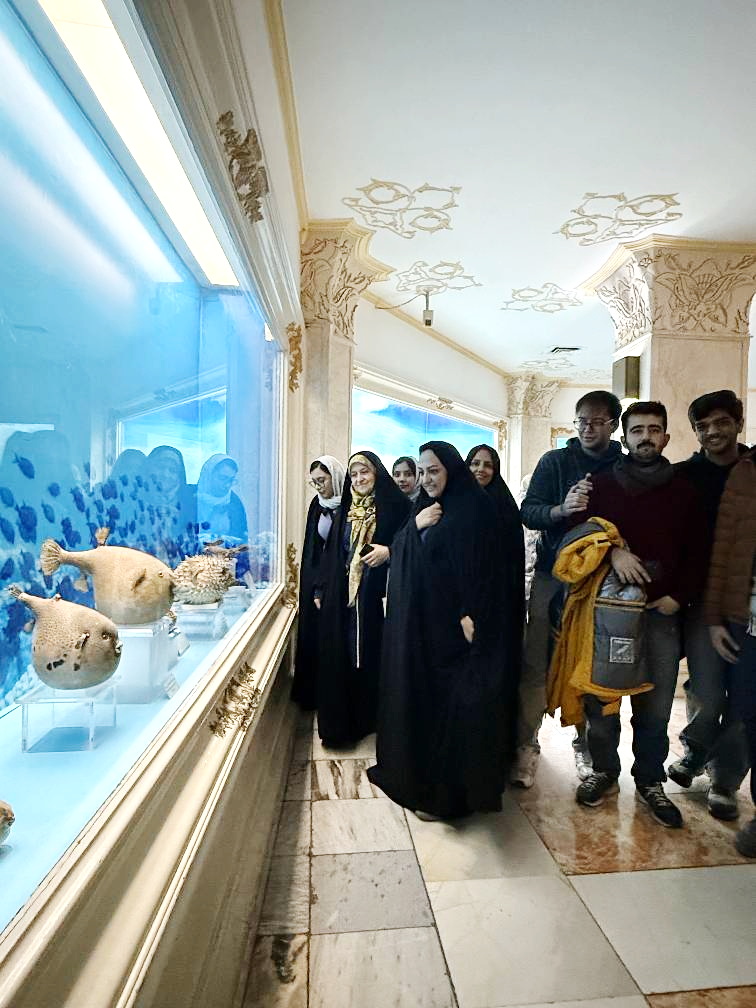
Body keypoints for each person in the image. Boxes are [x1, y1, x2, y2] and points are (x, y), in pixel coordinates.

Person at [571, 401, 707, 828]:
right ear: (624, 437)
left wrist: (678, 598)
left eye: (653, 429)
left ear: (665, 436)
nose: (645, 437)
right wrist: (612, 552)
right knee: (602, 701)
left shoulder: (684, 490)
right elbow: (580, 536)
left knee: (656, 707)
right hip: (608, 614)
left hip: (661, 614)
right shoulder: (602, 485)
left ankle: (650, 780)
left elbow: (698, 551)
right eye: (637, 430)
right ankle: (604, 771)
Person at [368, 441, 514, 820]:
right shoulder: (425, 507)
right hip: (424, 627)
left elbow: (486, 571)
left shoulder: (475, 509)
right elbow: (402, 548)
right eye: (422, 471)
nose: (426, 479)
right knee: (426, 706)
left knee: (453, 711)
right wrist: (416, 526)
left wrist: (469, 614)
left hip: (458, 631)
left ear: (451, 470)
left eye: (433, 470)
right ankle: (422, 781)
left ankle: (448, 799)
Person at [515, 390, 623, 787]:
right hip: (552, 576)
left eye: (597, 422)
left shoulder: (624, 467)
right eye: (581, 422)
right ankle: (526, 745)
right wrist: (562, 509)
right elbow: (529, 512)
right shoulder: (554, 461)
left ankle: (588, 747)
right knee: (535, 662)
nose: (587, 429)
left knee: (592, 667)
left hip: (602, 583)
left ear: (613, 424)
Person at [671, 390, 750, 820]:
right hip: (701, 598)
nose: (712, 432)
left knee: (744, 697)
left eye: (721, 422)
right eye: (702, 426)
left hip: (747, 602)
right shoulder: (684, 476)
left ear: (738, 423)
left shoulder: (752, 469)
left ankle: (725, 781)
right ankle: (697, 749)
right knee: (706, 687)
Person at [314, 450, 409, 746]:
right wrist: (321, 589)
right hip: (343, 597)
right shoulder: (346, 508)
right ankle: (344, 723)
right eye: (354, 474)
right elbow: (331, 553)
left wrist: (389, 552)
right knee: (344, 655)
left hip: (378, 597)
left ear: (376, 473)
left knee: (371, 654)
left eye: (364, 472)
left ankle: (370, 718)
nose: (359, 479)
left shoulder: (395, 507)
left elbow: (412, 544)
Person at [703, 447, 756, 856]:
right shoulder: (747, 473)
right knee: (748, 715)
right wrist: (715, 618)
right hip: (747, 622)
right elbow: (722, 551)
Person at [465, 442, 525, 754]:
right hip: (461, 604)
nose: (481, 470)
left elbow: (512, 563)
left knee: (493, 673)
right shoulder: (455, 503)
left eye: (488, 465)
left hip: (497, 605)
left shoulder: (505, 508)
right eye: (475, 463)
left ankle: (494, 747)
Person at [291, 455, 346, 711]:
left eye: (322, 480)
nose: (319, 487)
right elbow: (312, 546)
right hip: (318, 576)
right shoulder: (317, 504)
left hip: (339, 578)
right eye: (314, 482)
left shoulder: (348, 504)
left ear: (335, 477)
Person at [144, 445, 197, 563]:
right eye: (161, 467)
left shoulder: (190, 505)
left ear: (179, 476)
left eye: (172, 470)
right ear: (149, 468)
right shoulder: (136, 500)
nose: (165, 474)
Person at [196, 454, 247, 546]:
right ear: (208, 475)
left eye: (231, 480)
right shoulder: (189, 497)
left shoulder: (235, 503)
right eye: (223, 478)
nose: (227, 485)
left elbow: (241, 540)